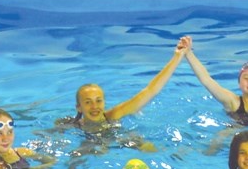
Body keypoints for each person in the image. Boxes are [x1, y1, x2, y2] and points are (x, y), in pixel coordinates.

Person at [57, 38, 188, 133]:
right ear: (79, 108)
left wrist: (177, 57)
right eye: (88, 102)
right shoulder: (69, 125)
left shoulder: (114, 115)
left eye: (98, 101)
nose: (94, 107)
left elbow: (150, 91)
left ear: (104, 102)